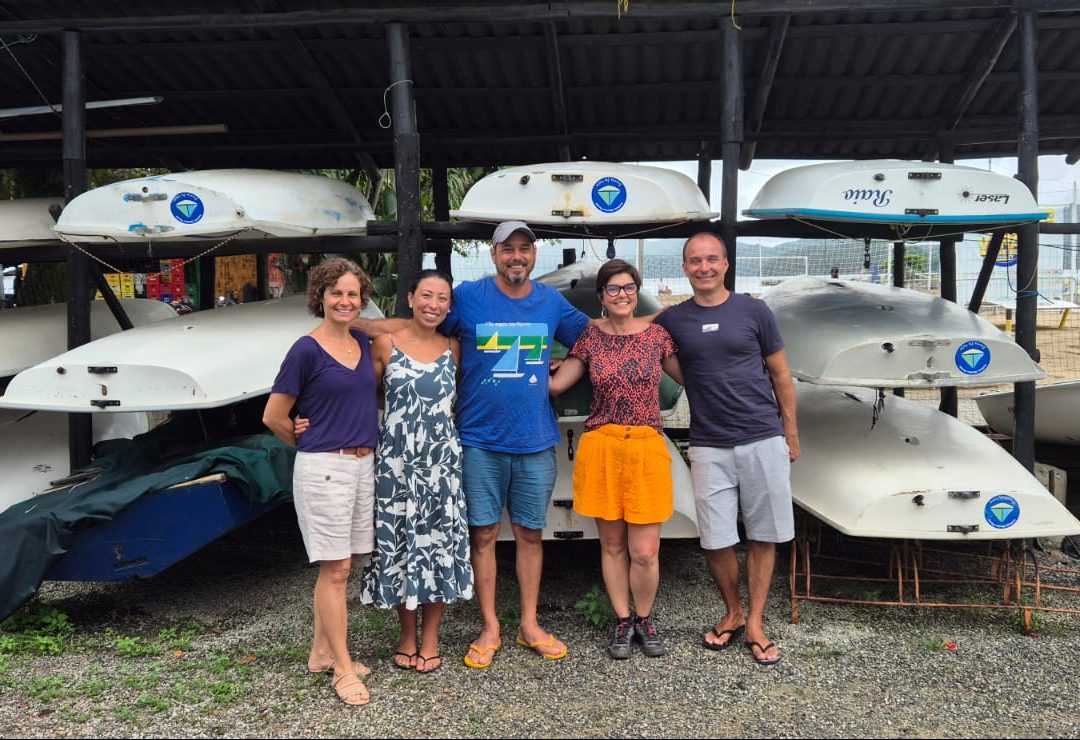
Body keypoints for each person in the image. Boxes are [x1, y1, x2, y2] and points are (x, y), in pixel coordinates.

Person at [354, 220, 589, 670]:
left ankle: (530, 624)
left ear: (533, 255)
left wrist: (562, 379)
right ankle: (489, 626)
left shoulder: (550, 302)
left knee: (529, 534)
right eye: (508, 249)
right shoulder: (470, 298)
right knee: (482, 534)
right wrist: (351, 322)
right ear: (494, 253)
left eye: (525, 248)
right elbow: (419, 325)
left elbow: (593, 340)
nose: (516, 256)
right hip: (478, 440)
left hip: (535, 439)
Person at [654, 232, 800, 667]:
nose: (704, 267)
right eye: (695, 261)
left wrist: (790, 432)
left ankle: (754, 620)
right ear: (684, 268)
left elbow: (781, 376)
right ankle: (732, 610)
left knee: (764, 532)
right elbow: (638, 332)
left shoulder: (754, 310)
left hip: (762, 435)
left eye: (711, 259)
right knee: (716, 538)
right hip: (709, 443)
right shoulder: (673, 320)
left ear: (725, 264)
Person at [548, 259, 682, 660]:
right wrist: (524, 364)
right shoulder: (591, 338)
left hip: (645, 444)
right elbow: (557, 386)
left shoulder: (658, 336)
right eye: (613, 289)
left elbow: (691, 375)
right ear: (602, 296)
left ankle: (645, 617)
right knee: (611, 545)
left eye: (628, 288)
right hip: (602, 444)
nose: (622, 295)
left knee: (645, 550)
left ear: (636, 292)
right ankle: (622, 620)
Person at [262, 257, 378, 706]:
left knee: (341, 566)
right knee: (336, 570)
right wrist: (305, 439)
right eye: (336, 293)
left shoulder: (362, 345)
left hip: (361, 464)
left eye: (352, 293)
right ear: (321, 297)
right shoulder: (306, 350)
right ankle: (344, 670)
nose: (345, 301)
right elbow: (273, 415)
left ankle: (320, 653)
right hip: (324, 467)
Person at [358, 269, 473, 675]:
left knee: (436, 547)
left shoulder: (454, 348)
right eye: (427, 295)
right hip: (396, 464)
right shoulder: (384, 344)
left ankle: (431, 638)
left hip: (441, 465)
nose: (434, 305)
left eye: (443, 299)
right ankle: (406, 635)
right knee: (401, 544)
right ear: (410, 297)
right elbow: (363, 394)